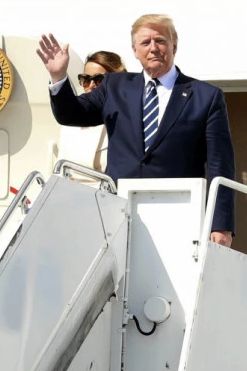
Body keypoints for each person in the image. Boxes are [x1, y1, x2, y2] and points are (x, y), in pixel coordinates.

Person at [37, 14, 235, 247]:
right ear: (135, 50)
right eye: (145, 42)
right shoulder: (114, 86)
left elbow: (220, 165)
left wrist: (220, 224)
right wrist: (58, 77)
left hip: (177, 214)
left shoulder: (206, 97)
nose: (153, 48)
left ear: (174, 46)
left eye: (160, 40)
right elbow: (71, 114)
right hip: (117, 213)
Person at [55, 51, 126, 174]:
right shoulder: (70, 119)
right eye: (86, 79)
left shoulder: (124, 122)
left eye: (99, 79)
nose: (92, 85)